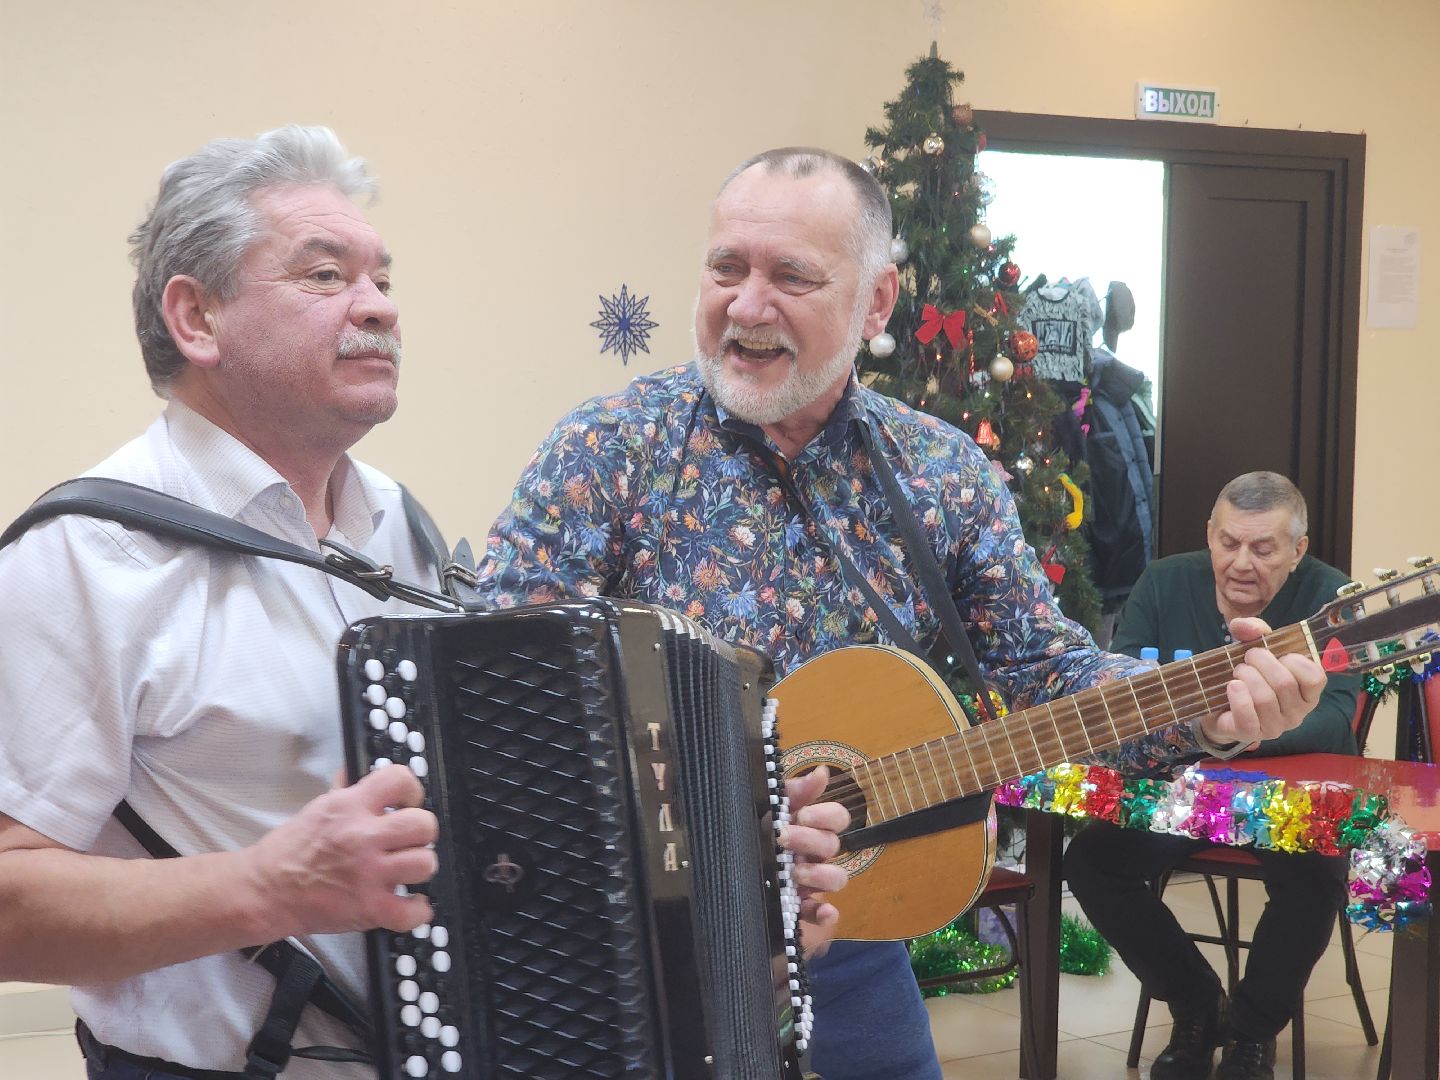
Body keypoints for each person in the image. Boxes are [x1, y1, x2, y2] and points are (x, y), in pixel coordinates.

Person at [0, 127, 848, 1080]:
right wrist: (268, 887)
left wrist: (738, 880)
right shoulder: (87, 557)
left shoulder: (395, 525)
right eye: (326, 275)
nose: (379, 307)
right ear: (197, 318)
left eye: (383, 278)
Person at [472, 148, 1329, 1080]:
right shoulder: (608, 448)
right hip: (636, 945)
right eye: (727, 267)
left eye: (791, 275)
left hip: (848, 944)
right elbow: (496, 690)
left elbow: (1045, 672)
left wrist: (1204, 707)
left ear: (876, 303)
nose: (748, 304)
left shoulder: (941, 474)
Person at [1066, 471, 1361, 1080]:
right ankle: (1198, 1006)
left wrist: (1230, 732)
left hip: (1285, 799)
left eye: (1264, 548)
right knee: (1093, 861)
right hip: (1181, 791)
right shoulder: (1164, 581)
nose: (1241, 563)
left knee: (1316, 874)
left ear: (1298, 550)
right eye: (1229, 543)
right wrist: (1203, 735)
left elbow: (1334, 718)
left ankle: (1253, 1033)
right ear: (1209, 535)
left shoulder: (1331, 597)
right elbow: (1124, 692)